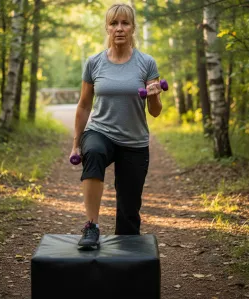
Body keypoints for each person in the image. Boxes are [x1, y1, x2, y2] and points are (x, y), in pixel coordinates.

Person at [69, 3, 163, 248]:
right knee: (95, 152)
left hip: (134, 141)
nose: (119, 28)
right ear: (107, 28)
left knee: (129, 214)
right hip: (100, 132)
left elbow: (155, 112)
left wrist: (154, 95)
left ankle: (129, 268)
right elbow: (83, 106)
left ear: (132, 28)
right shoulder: (94, 62)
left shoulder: (147, 63)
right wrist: (76, 144)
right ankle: (91, 227)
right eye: (114, 23)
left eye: (125, 23)